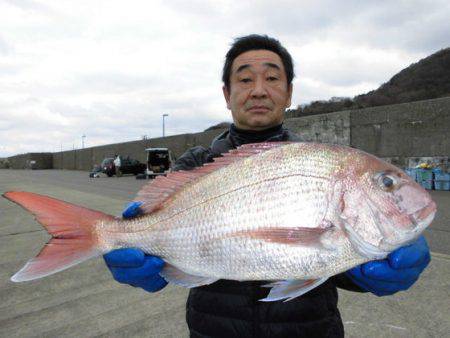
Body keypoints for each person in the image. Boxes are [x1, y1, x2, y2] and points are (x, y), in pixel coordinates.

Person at [104, 35, 431, 337]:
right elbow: (173, 254)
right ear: (227, 95)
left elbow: (325, 261)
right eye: (245, 79)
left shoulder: (319, 161)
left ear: (288, 93)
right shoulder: (196, 165)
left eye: (272, 78)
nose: (258, 90)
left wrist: (370, 264)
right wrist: (138, 250)